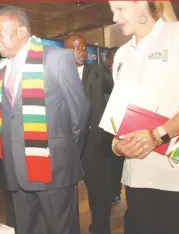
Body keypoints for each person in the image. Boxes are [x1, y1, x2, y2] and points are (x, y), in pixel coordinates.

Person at [108, 1, 179, 234]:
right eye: (112, 10)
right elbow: (117, 123)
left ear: (141, 5)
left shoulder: (178, 35)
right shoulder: (121, 55)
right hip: (137, 179)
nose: (115, 18)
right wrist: (119, 147)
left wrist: (156, 136)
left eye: (120, 9)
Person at [0, 6, 90, 234]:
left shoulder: (56, 59)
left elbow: (80, 113)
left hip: (54, 169)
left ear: (23, 30)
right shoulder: (0, 70)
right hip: (17, 172)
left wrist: (64, 152)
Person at [64, 34, 114, 234]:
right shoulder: (59, 74)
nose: (81, 52)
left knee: (97, 190)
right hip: (68, 144)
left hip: (94, 143)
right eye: (75, 48)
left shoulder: (98, 72)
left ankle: (101, 227)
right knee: (66, 193)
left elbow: (119, 92)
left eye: (83, 48)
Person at [105, 46, 124, 205]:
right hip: (118, 125)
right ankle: (114, 192)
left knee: (112, 163)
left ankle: (113, 192)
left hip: (111, 126)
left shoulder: (103, 76)